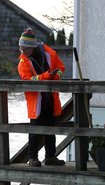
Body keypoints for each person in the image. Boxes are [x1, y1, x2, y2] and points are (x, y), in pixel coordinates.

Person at [17, 27, 66, 167]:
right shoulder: (23, 62)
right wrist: (46, 76)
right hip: (36, 99)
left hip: (49, 97)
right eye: (20, 49)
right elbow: (27, 80)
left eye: (24, 49)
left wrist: (55, 76)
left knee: (51, 127)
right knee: (34, 129)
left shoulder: (49, 54)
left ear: (32, 47)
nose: (22, 52)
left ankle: (50, 156)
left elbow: (60, 68)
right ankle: (33, 158)